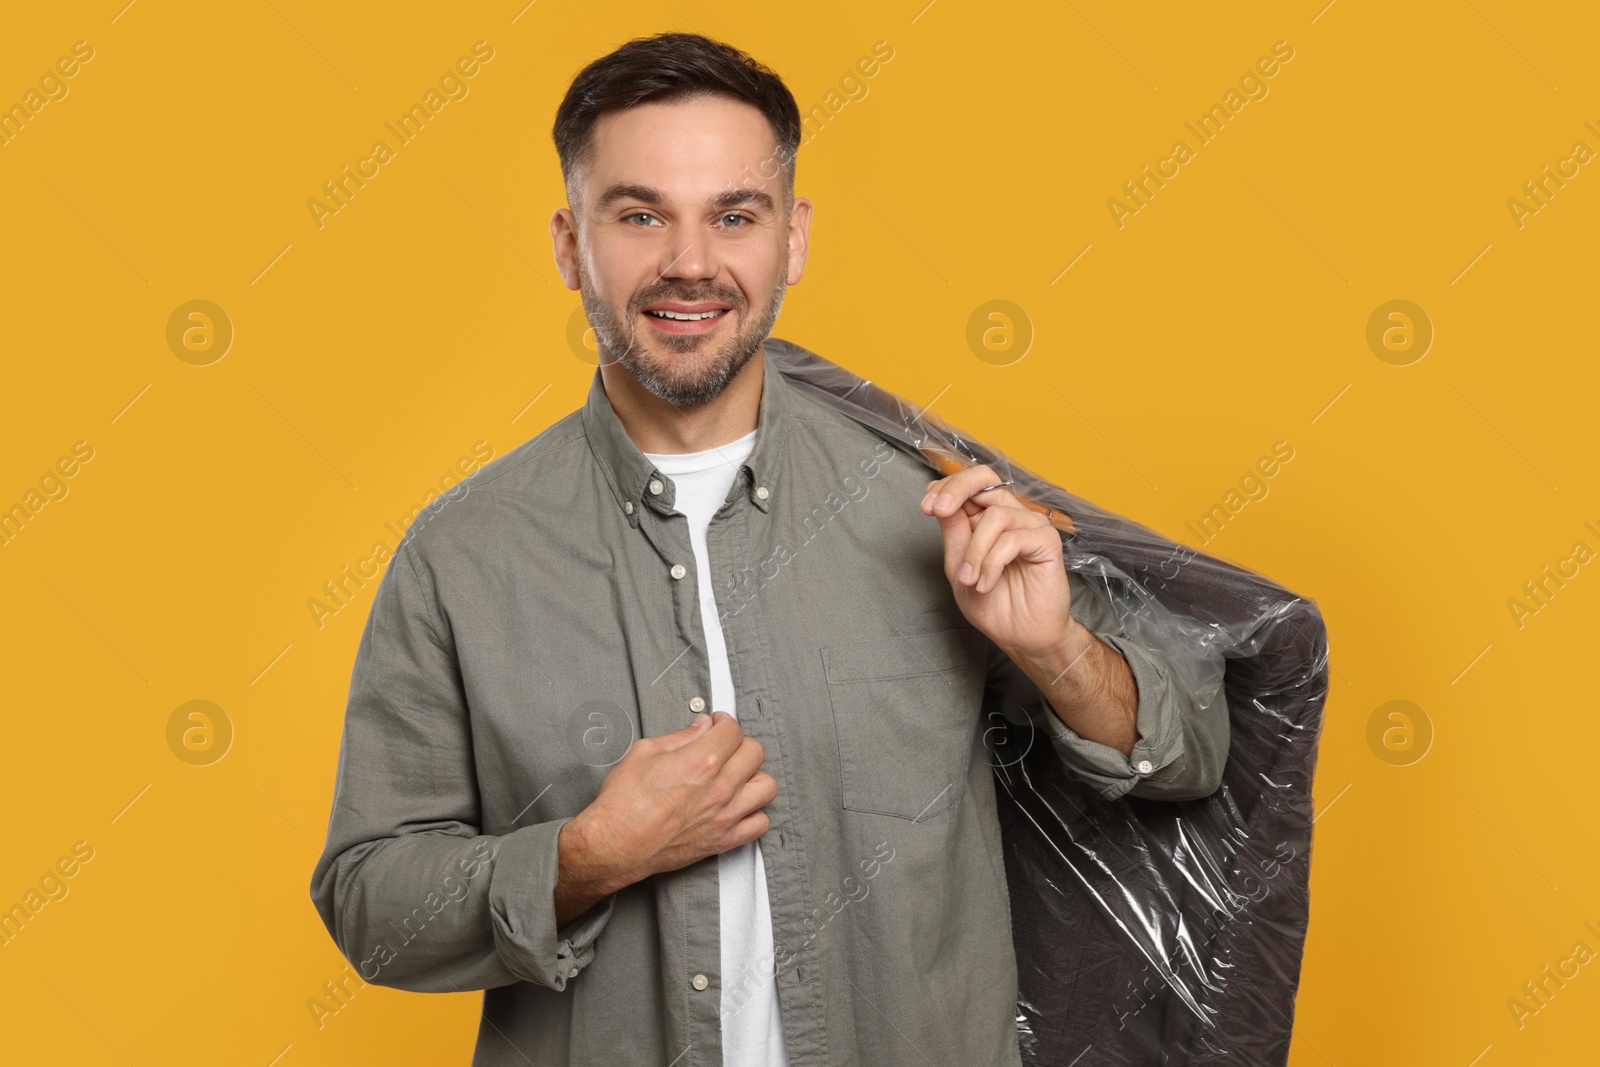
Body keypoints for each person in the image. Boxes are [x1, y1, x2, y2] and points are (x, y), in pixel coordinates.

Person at [309, 31, 1230, 1067]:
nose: (689, 261)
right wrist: (583, 857)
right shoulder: (462, 556)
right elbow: (369, 903)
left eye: (732, 216)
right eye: (640, 213)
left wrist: (1053, 648)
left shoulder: (935, 509)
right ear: (571, 245)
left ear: (791, 239)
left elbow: (1188, 749)